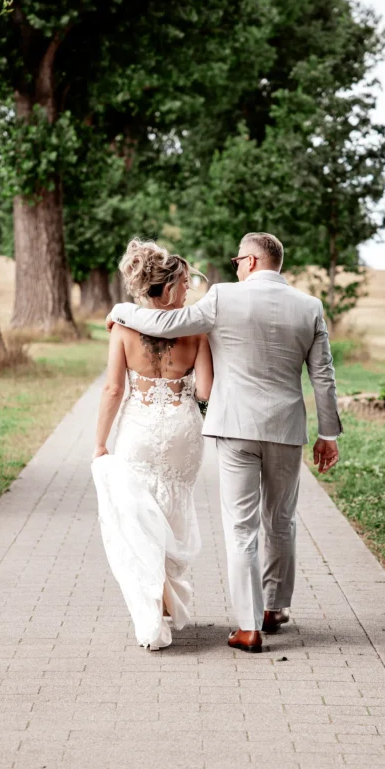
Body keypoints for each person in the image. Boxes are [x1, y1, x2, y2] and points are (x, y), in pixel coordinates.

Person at [108, 231, 342, 654]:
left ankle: (249, 626)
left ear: (251, 262)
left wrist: (121, 309)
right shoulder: (310, 307)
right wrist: (328, 434)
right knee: (282, 519)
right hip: (287, 428)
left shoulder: (222, 298)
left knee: (240, 527)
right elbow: (323, 375)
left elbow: (164, 322)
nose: (234, 265)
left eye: (237, 259)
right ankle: (275, 608)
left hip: (235, 428)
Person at [92, 239, 213, 651]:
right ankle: (164, 605)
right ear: (172, 284)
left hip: (138, 431)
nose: (188, 290)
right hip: (182, 431)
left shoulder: (123, 327)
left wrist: (99, 443)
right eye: (184, 282)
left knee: (137, 520)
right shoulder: (196, 330)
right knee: (172, 511)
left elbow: (112, 390)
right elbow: (206, 391)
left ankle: (152, 616)